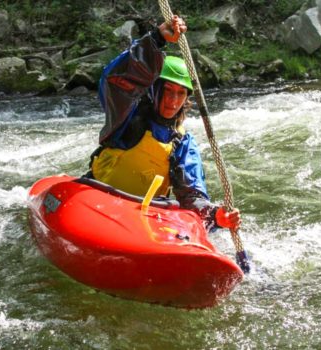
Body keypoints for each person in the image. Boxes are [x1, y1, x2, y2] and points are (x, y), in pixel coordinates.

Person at [86, 15, 241, 232]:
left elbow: (192, 195)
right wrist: (157, 39)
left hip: (143, 217)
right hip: (97, 201)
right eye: (167, 91)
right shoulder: (126, 114)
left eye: (180, 94)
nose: (173, 100)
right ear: (154, 89)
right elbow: (116, 78)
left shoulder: (182, 143)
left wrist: (215, 215)